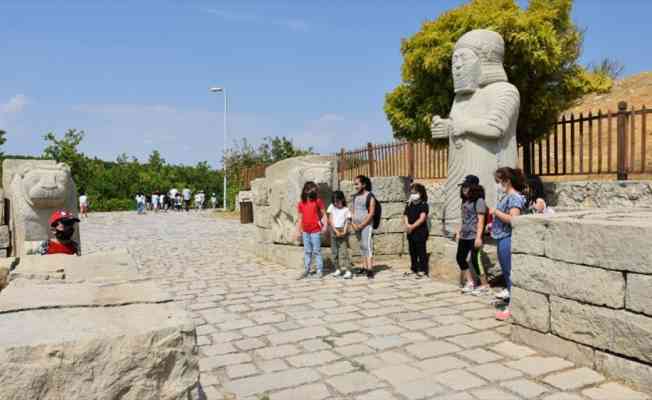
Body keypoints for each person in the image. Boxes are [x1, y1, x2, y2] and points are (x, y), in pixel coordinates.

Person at [489, 167, 526, 321]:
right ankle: (512, 303)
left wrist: (495, 212)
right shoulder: (506, 197)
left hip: (508, 238)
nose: (498, 184)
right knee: (506, 272)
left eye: (499, 181)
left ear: (507, 180)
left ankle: (513, 307)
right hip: (501, 237)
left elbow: (513, 219)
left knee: (510, 273)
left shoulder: (514, 197)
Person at [455, 175, 490, 295]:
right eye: (463, 187)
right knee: (460, 258)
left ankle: (485, 285)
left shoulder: (479, 201)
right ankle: (470, 282)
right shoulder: (464, 201)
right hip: (464, 235)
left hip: (474, 235)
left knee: (475, 260)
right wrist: (458, 232)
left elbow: (480, 221)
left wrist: (479, 237)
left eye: (467, 187)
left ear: (474, 188)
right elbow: (463, 218)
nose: (464, 189)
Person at [294, 181, 326, 279]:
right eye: (310, 189)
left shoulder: (318, 201)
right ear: (305, 190)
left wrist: (325, 226)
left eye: (314, 189)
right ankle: (307, 269)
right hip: (305, 231)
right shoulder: (301, 204)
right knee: (307, 251)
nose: (312, 191)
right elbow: (300, 218)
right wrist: (297, 230)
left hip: (315, 230)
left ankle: (319, 270)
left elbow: (324, 214)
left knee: (317, 251)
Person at [351, 175, 377, 279]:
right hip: (357, 226)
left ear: (364, 184)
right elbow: (353, 211)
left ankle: (370, 269)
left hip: (366, 225)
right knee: (362, 246)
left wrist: (362, 225)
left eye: (357, 184)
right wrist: (354, 224)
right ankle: (364, 267)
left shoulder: (370, 196)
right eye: (355, 184)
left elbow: (371, 213)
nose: (355, 186)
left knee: (367, 246)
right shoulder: (355, 196)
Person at [404, 183, 430, 279]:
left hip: (420, 231)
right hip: (410, 231)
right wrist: (407, 225)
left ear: (421, 193)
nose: (413, 194)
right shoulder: (409, 203)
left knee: (421, 251)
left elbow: (422, 218)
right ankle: (413, 268)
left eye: (415, 192)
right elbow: (405, 215)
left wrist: (412, 226)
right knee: (412, 251)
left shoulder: (424, 205)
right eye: (412, 192)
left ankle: (423, 269)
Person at [328, 190, 353, 279]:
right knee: (334, 252)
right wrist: (335, 230)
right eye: (334, 201)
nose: (335, 203)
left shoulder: (346, 210)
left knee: (343, 252)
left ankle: (348, 270)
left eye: (337, 201)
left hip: (343, 231)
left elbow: (348, 221)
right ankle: (337, 269)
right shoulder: (331, 207)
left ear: (342, 199)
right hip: (334, 231)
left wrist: (344, 231)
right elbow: (330, 220)